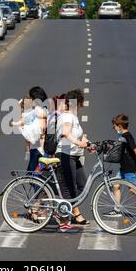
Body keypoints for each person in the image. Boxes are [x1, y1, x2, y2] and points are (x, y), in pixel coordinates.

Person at [55, 89, 90, 231]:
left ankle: (73, 213)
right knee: (68, 188)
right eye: (81, 103)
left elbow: (76, 135)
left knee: (82, 185)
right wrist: (78, 143)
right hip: (65, 155)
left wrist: (87, 144)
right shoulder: (68, 116)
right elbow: (65, 133)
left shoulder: (73, 117)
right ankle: (64, 220)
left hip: (74, 156)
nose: (82, 106)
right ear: (78, 103)